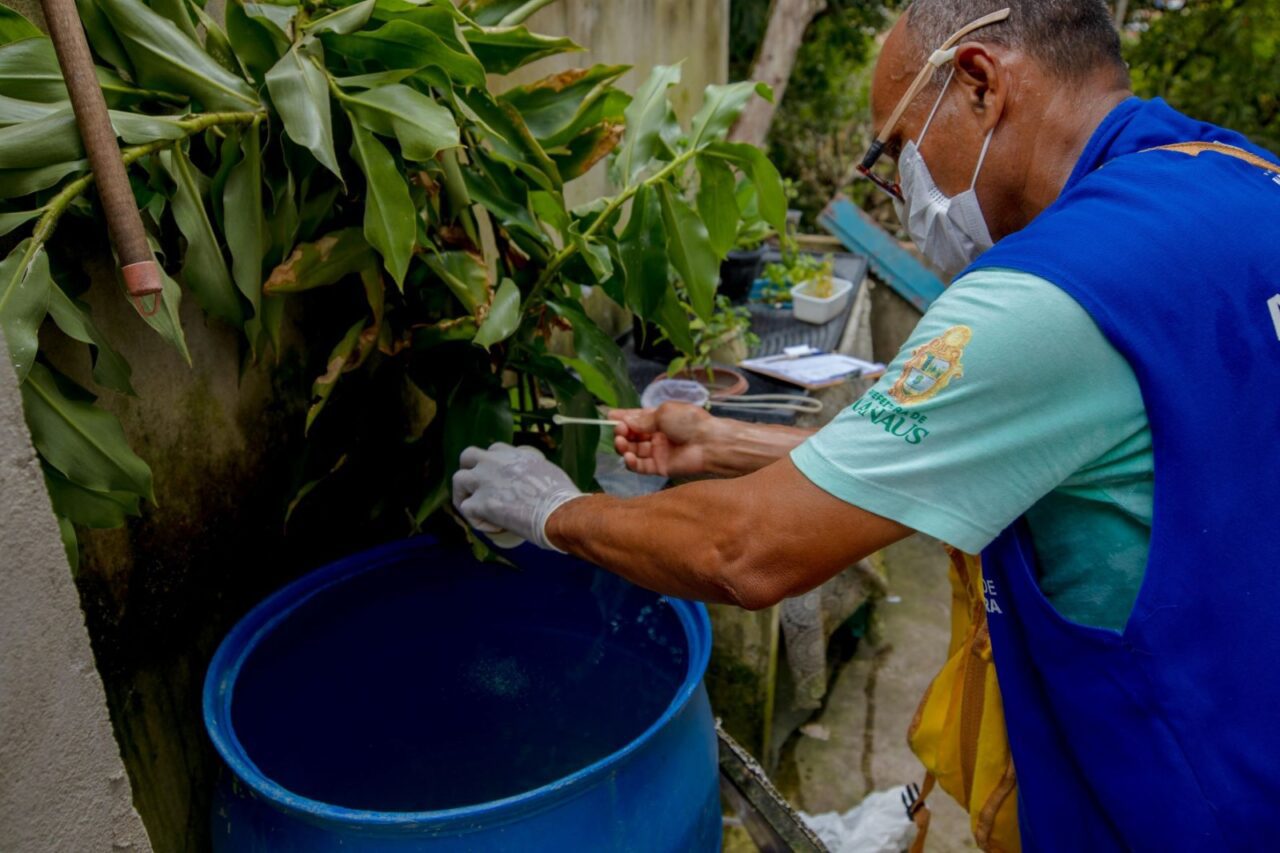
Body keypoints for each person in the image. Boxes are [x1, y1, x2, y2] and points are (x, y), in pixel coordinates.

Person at [454, 1, 1280, 848]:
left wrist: (550, 511)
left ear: (979, 84)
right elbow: (1025, 441)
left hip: (1185, 799)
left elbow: (748, 549)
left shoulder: (1052, 291)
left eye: (896, 150)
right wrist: (724, 442)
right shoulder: (1241, 178)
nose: (903, 189)